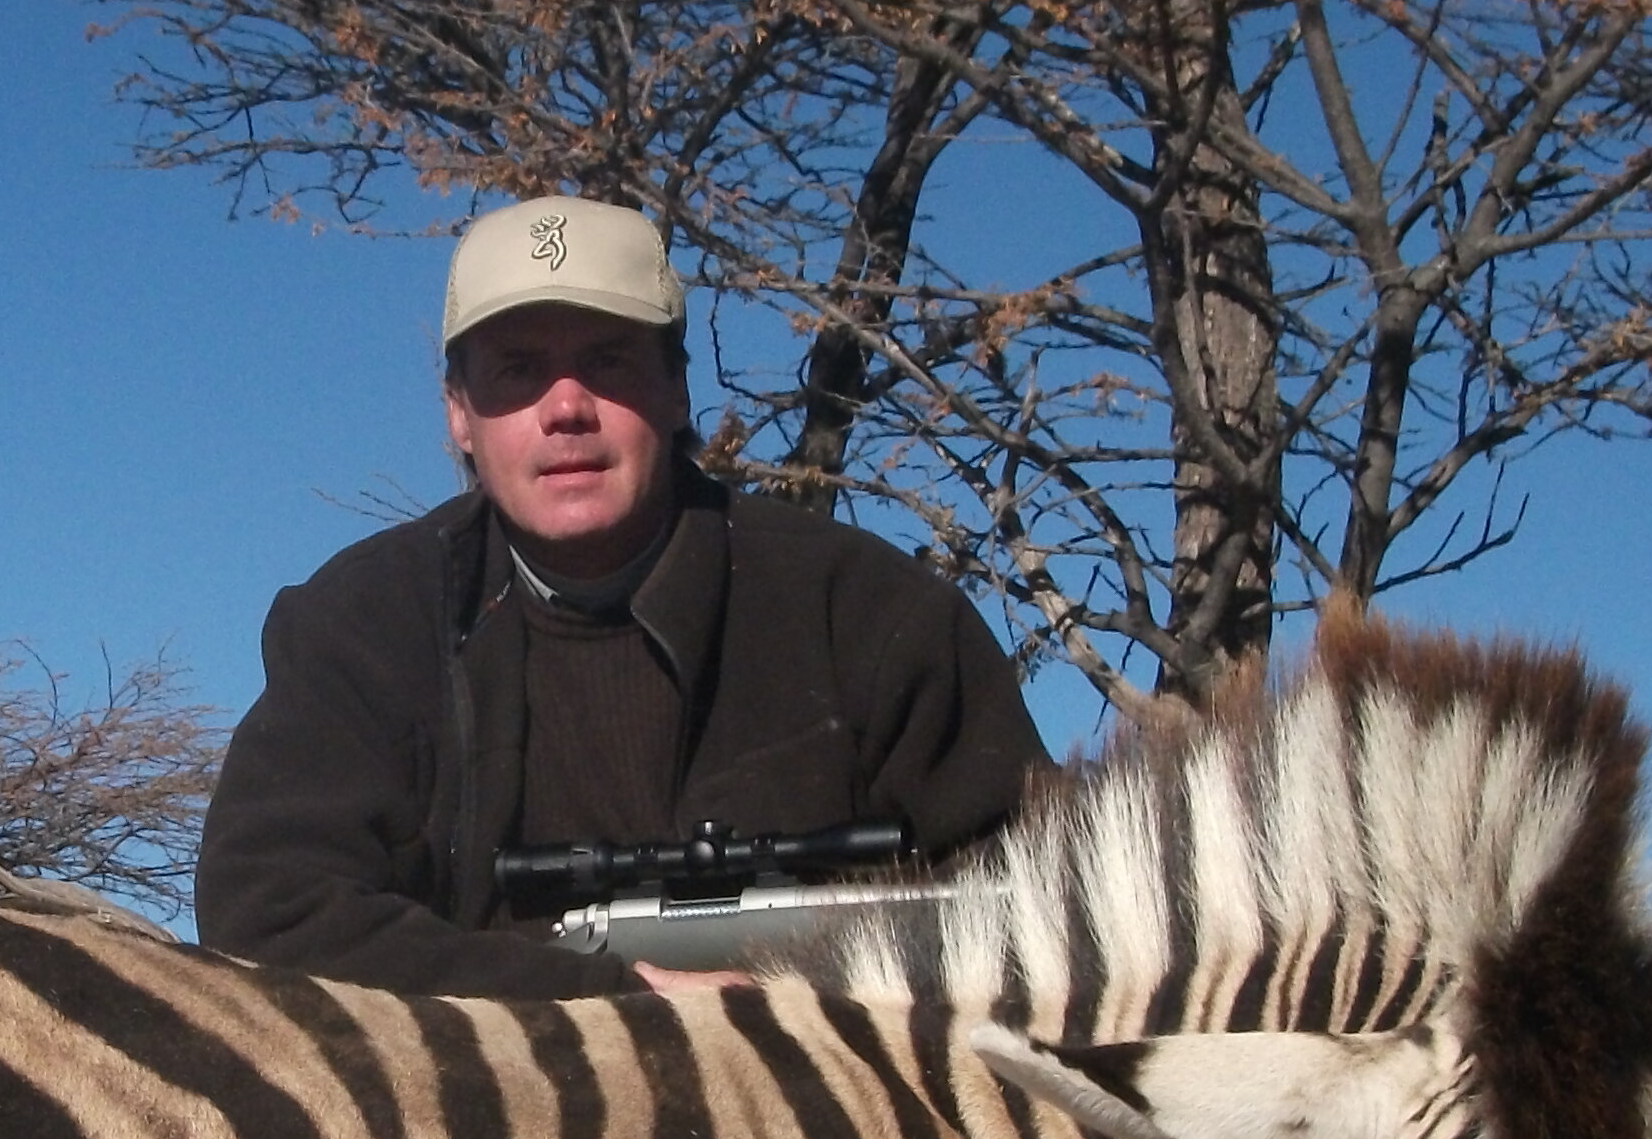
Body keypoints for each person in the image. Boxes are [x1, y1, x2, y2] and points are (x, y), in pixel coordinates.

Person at [197, 195, 1048, 996]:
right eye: (518, 373)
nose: (566, 407)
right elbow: (266, 914)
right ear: (459, 413)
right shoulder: (361, 621)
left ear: (678, 389)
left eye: (607, 362)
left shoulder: (874, 615)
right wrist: (610, 1001)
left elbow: (1046, 909)